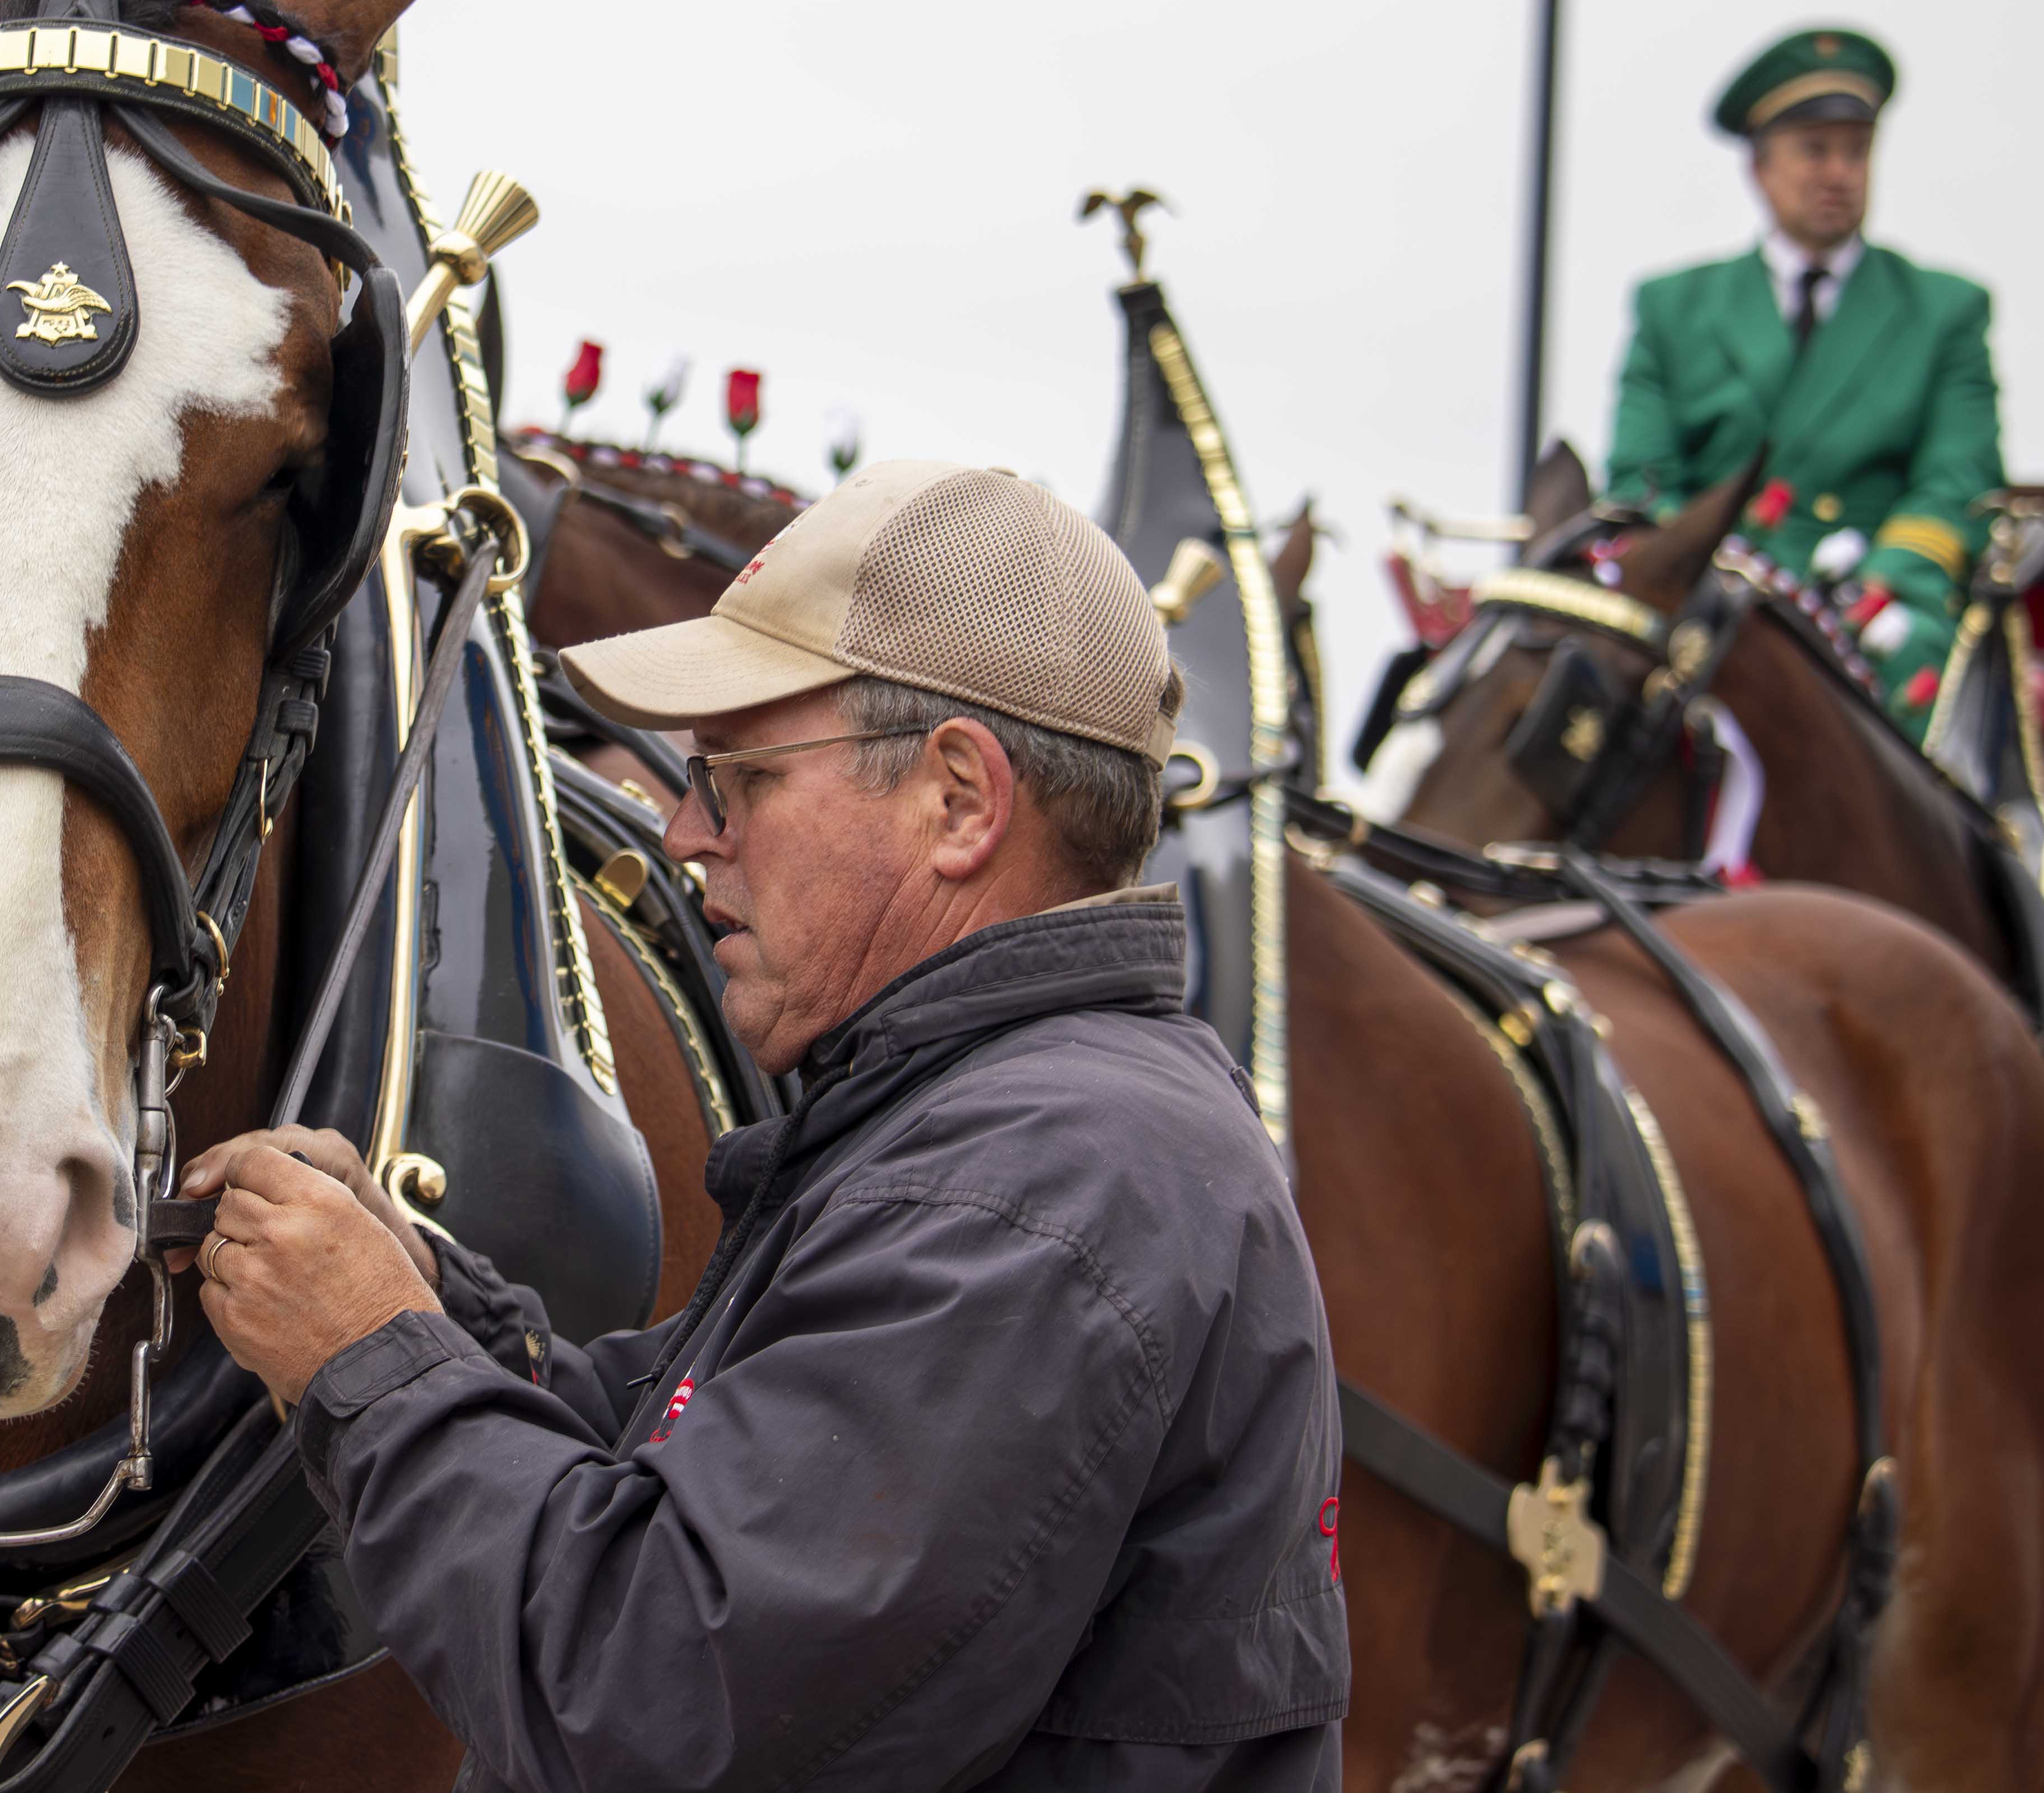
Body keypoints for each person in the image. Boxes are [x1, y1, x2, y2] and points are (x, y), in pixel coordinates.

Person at [167, 459, 1349, 1790]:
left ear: (958, 799)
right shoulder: (1022, 1125)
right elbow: (705, 1456)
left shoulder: (1028, 1187)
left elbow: (645, 1696)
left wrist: (371, 1360)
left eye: (736, 779)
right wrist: (437, 1311)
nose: (682, 834)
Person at [1604, 26, 2002, 729]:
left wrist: (1883, 584)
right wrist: (1706, 582)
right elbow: (1643, 483)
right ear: (1760, 168)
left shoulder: (1944, 311)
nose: (1838, 173)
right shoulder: (1673, 308)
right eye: (1814, 151)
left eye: (1856, 151)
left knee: (1910, 670)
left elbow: (1957, 481)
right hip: (1716, 591)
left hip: (1874, 598)